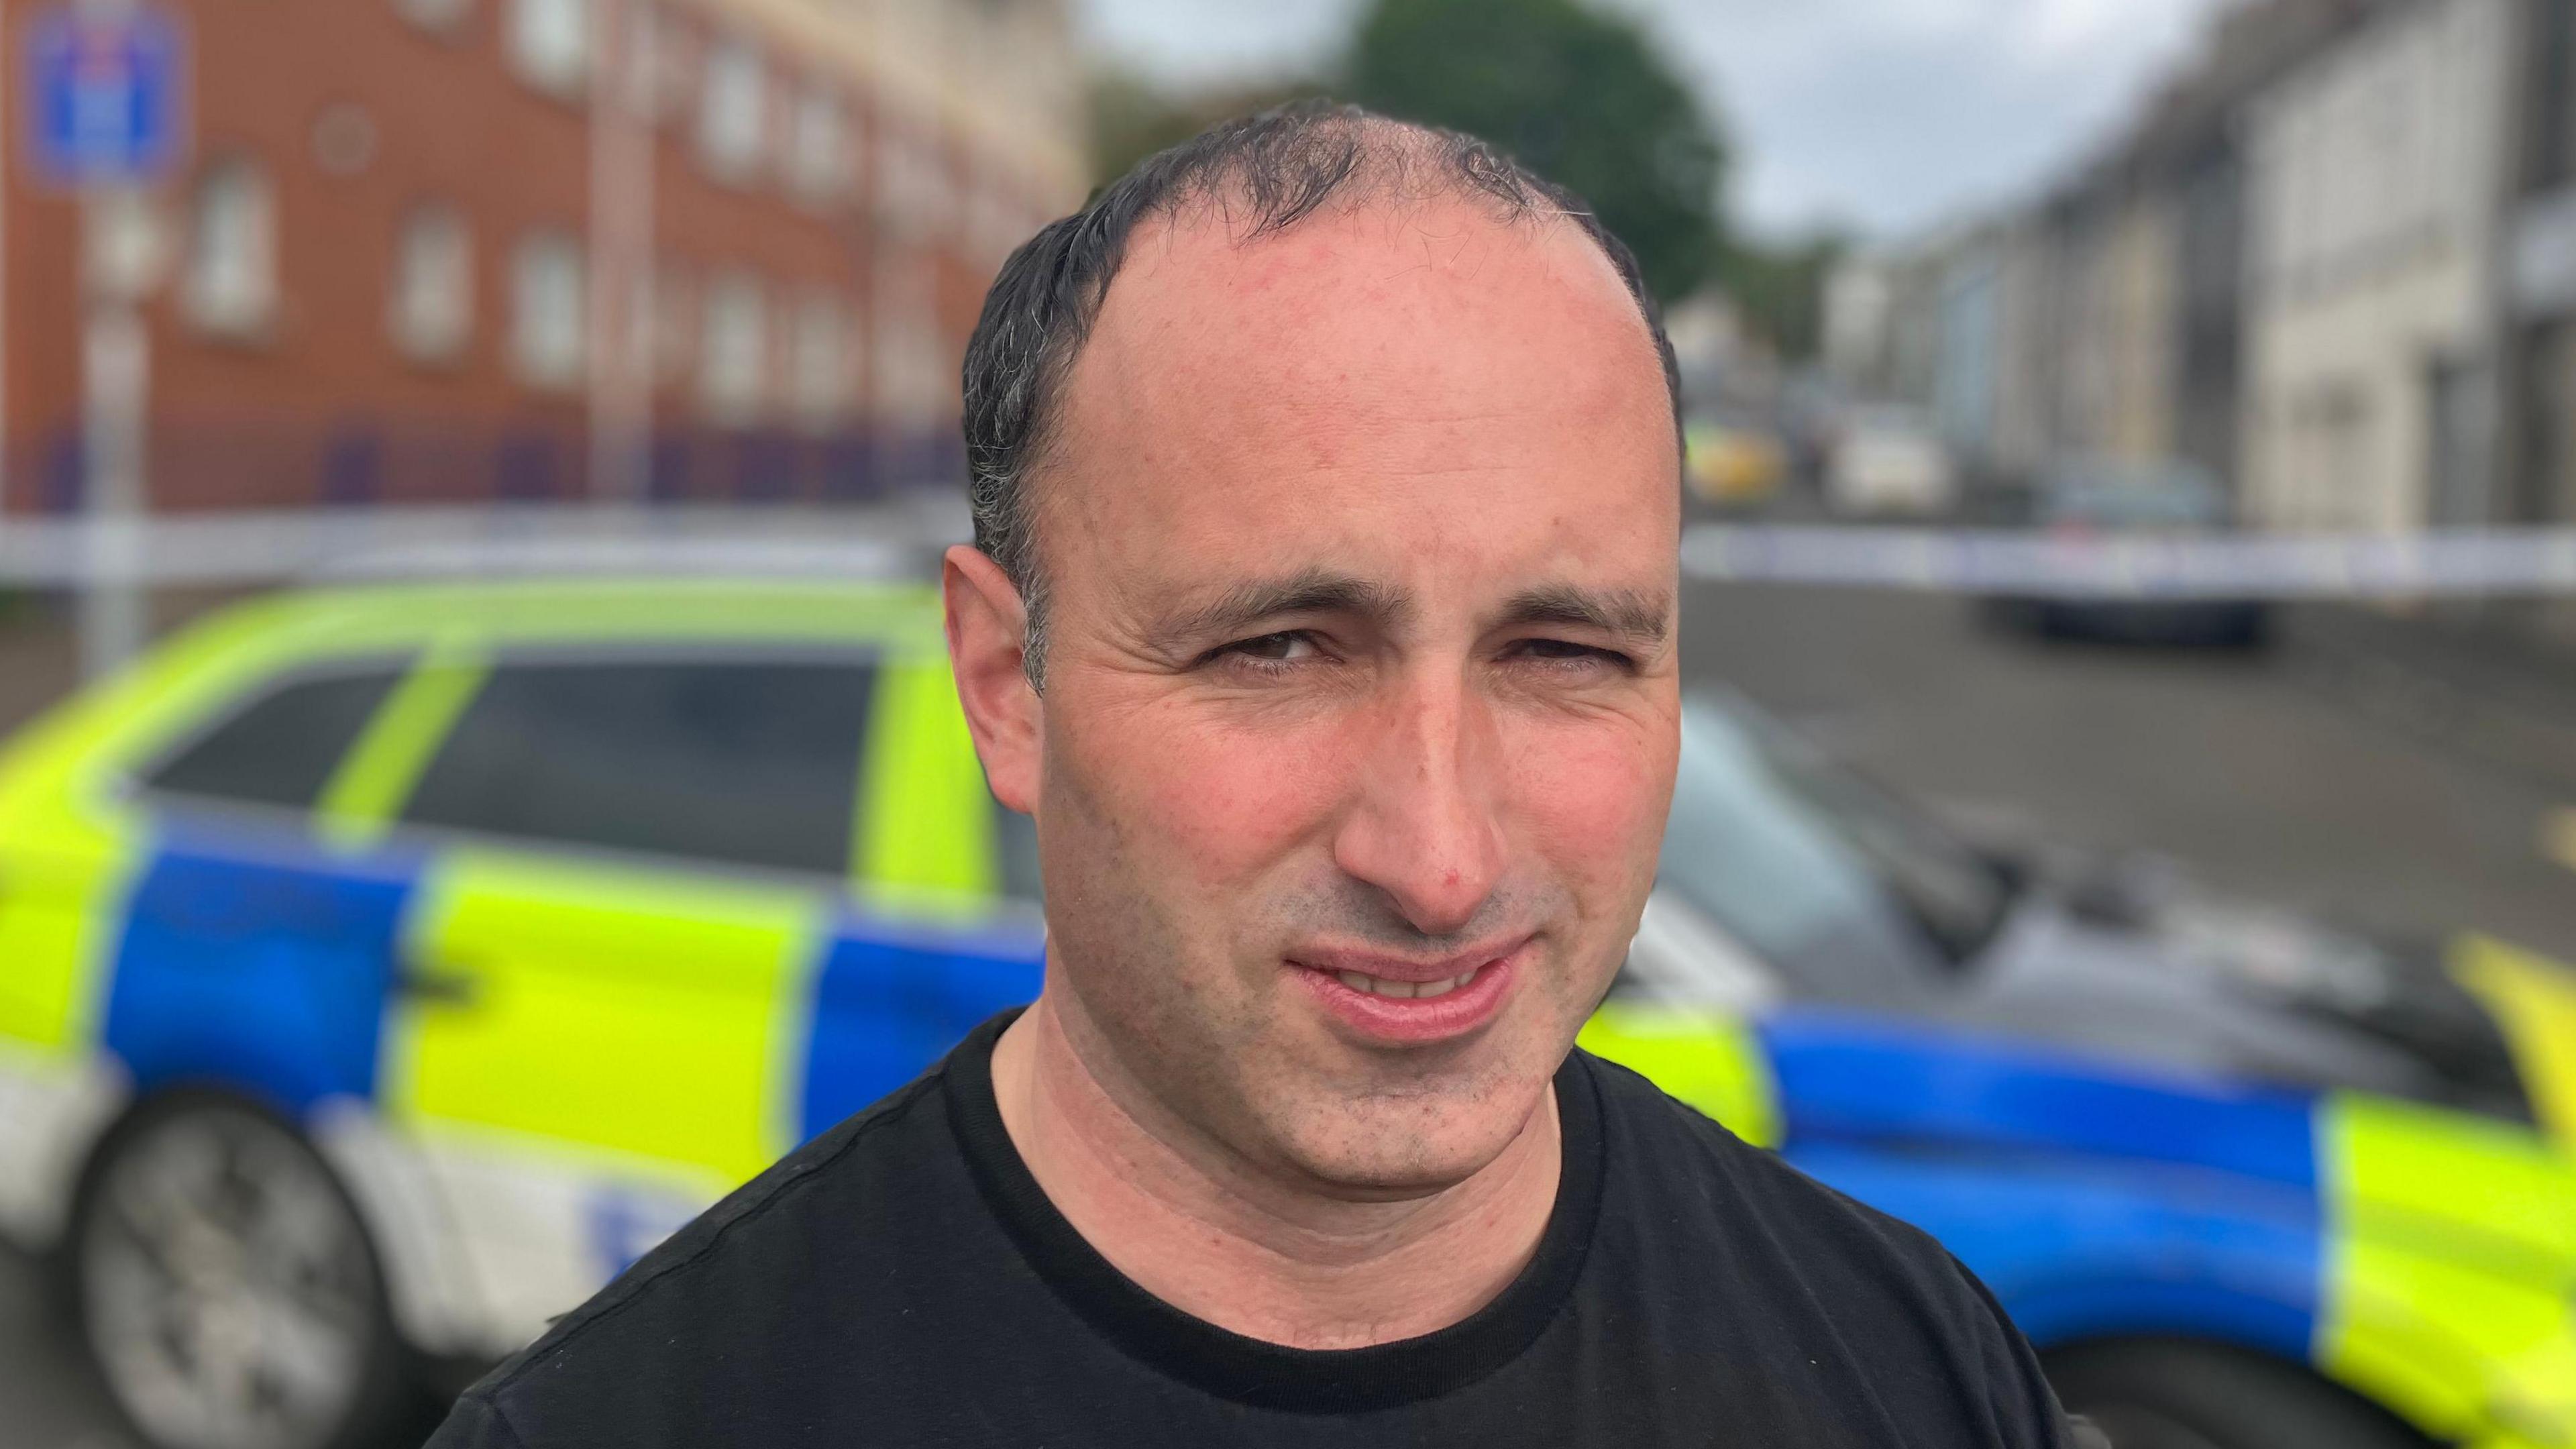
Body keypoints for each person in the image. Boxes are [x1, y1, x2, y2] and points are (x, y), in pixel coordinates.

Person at [427, 103, 2090, 1448]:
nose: (1438, 858)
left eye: (1564, 654)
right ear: (1010, 686)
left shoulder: (1919, 1368)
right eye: (1278, 651)